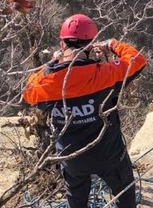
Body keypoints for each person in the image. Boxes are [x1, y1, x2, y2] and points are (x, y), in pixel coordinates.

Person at [22, 14, 146, 208]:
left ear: (62, 45)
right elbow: (137, 60)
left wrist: (51, 65)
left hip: (71, 159)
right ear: (92, 45)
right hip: (108, 155)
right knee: (124, 193)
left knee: (76, 199)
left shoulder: (44, 84)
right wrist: (112, 44)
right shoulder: (105, 74)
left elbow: (27, 92)